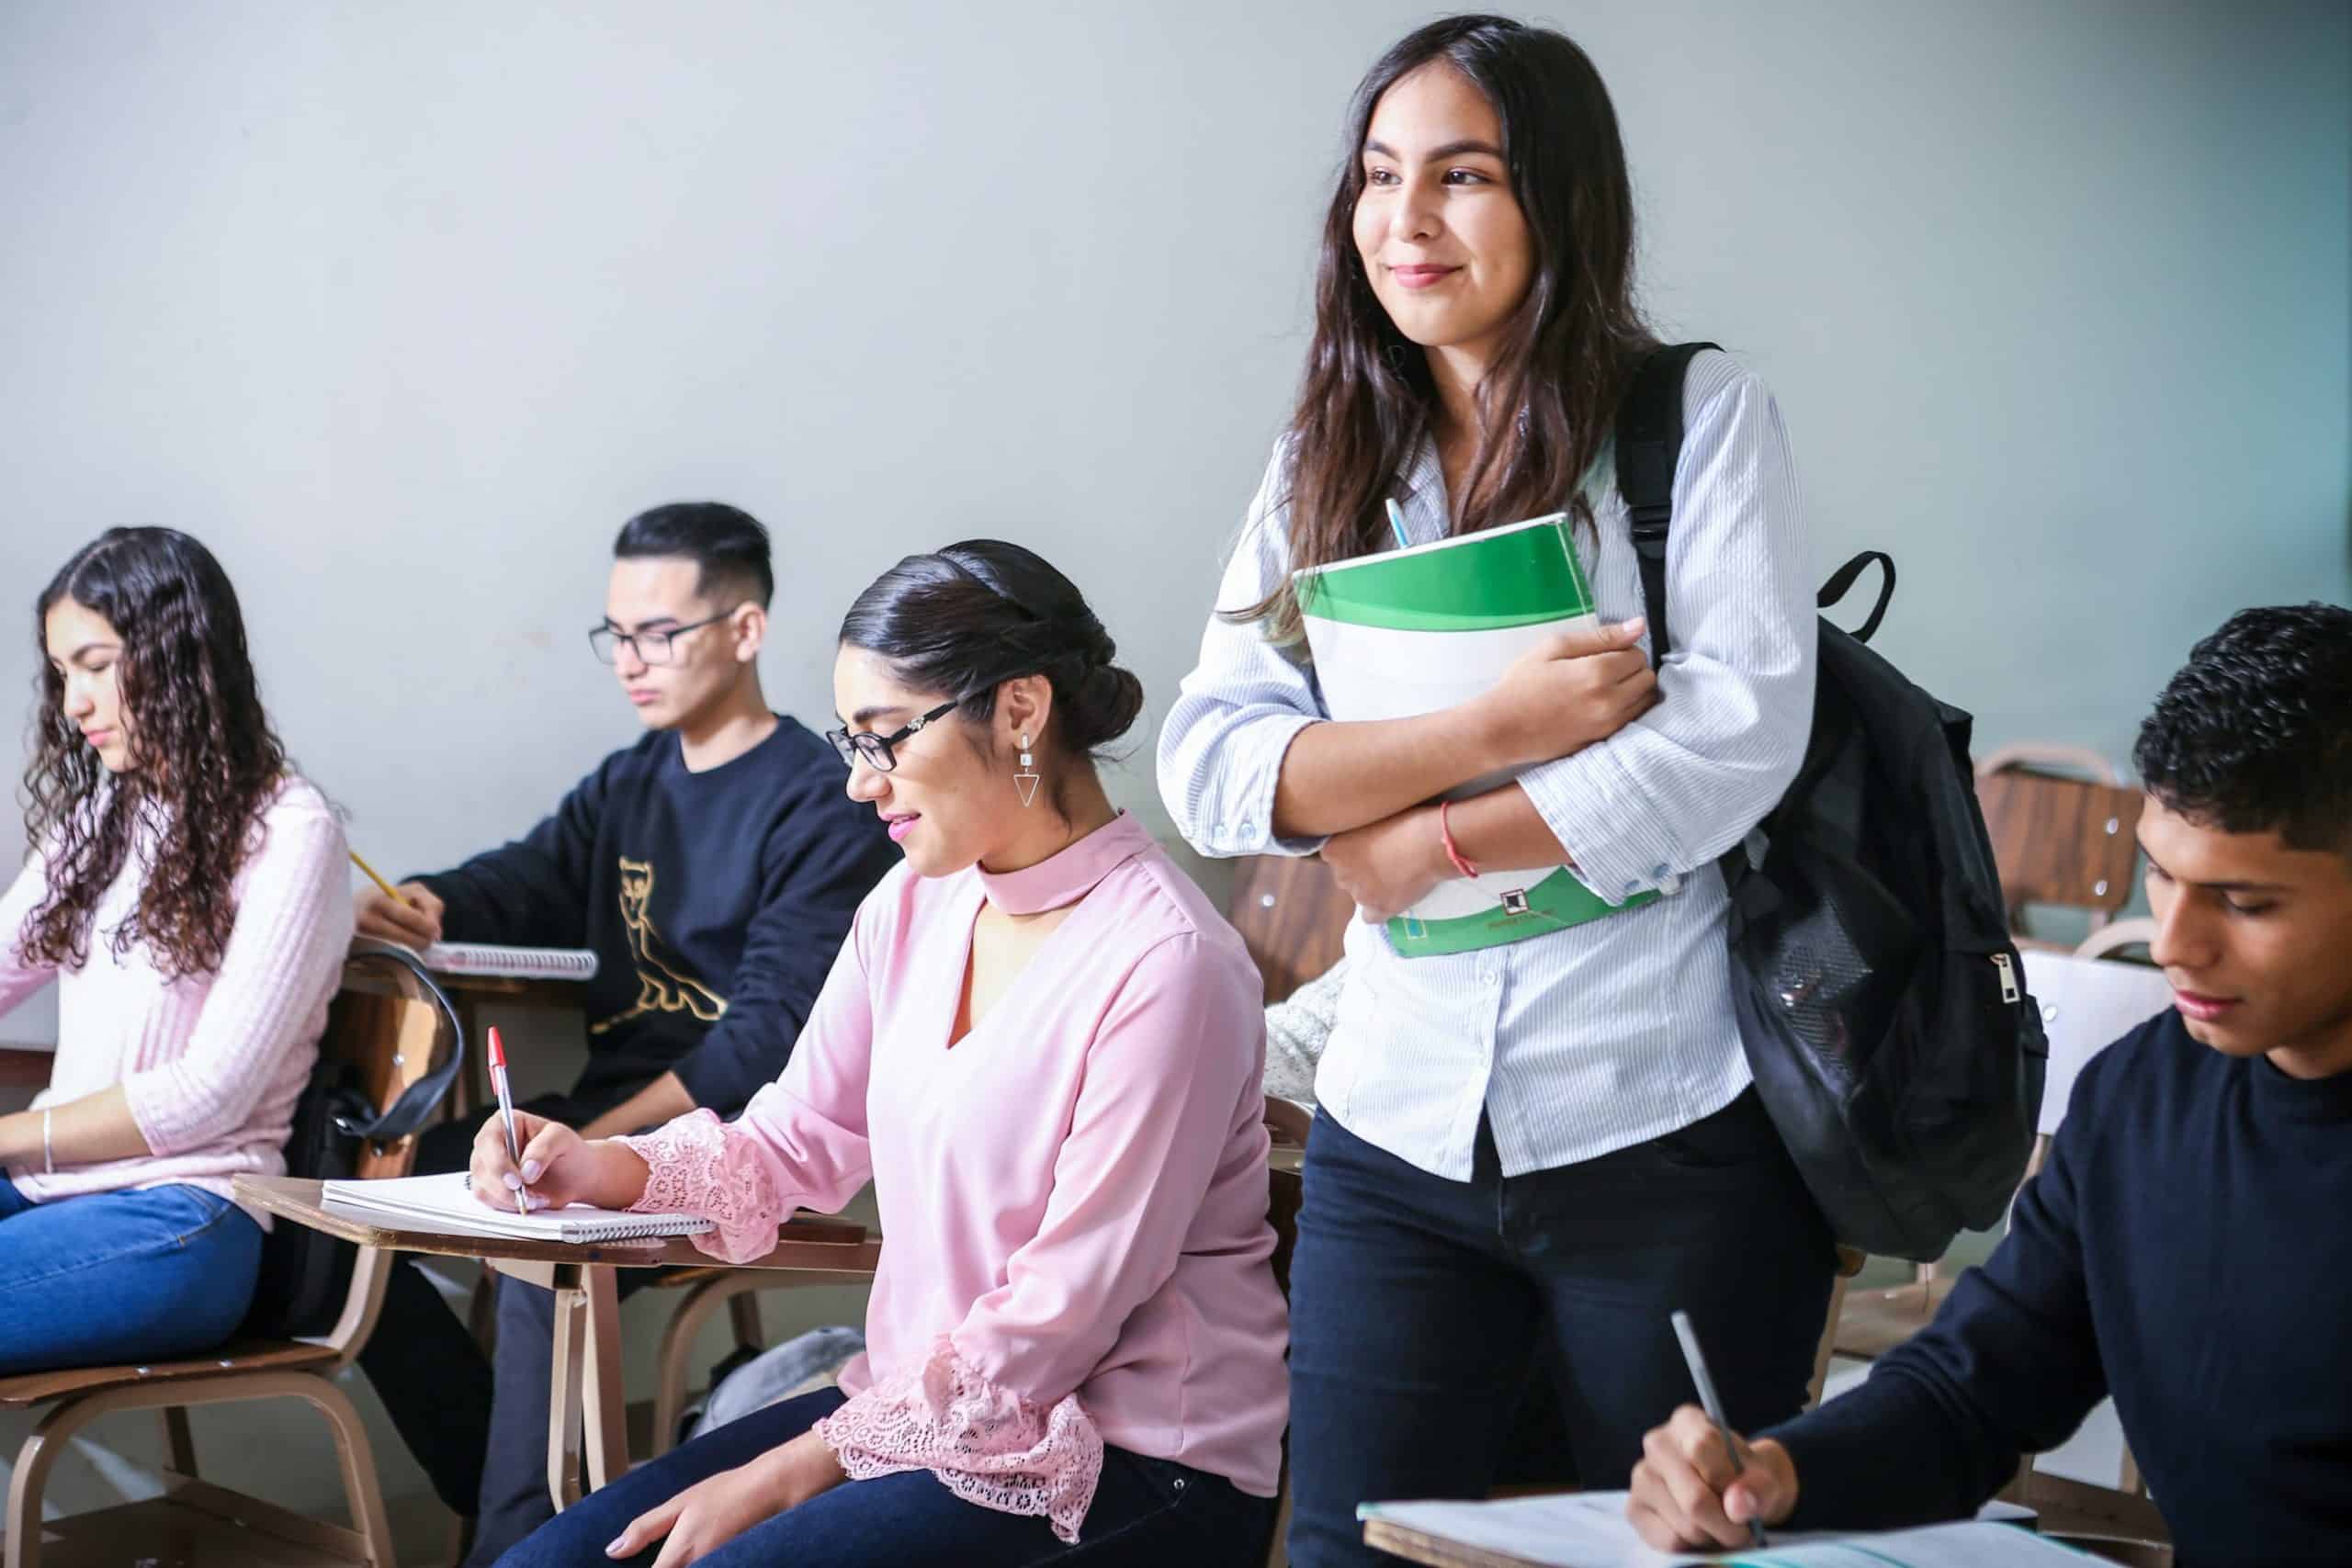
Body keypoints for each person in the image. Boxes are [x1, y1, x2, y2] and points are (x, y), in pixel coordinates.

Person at [1157, 17, 1834, 1562]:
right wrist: (1495, 729)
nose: (1406, 221)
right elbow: (1212, 760)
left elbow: (1735, 737)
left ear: (1560, 202)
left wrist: (1422, 842)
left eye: (1463, 176)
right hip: (1396, 1125)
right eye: (1382, 177)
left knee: (1670, 1546)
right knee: (1346, 1549)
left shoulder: (1693, 421)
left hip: (1661, 1122)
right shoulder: (1327, 448)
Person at [488, 540, 1287, 1567]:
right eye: (850, 742)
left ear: (1018, 709)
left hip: (1130, 1461)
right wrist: (594, 1166)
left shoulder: (1169, 964)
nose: (862, 786)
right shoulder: (912, 902)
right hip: (918, 1417)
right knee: (545, 1564)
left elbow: (1060, 1315)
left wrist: (787, 1470)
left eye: (885, 739)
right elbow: (794, 1138)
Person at [1628, 603, 2352, 1568]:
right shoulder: (2141, 1101)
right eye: (2162, 879)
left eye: (2246, 903)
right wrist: (1777, 1473)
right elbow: (1973, 1388)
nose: (2174, 944)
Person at [351, 502, 899, 1560]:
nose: (631, 663)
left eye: (661, 634)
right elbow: (529, 878)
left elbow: (761, 1048)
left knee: (539, 1259)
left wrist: (599, 1147)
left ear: (745, 630)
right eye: (618, 636)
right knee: (363, 1187)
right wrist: (431, 901)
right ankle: (489, 1480)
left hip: (734, 1144)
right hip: (607, 1122)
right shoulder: (630, 782)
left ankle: (504, 1544)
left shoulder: (816, 801)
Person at [0, 527, 350, 1373]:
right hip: (51, 1193)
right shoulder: (99, 821)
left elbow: (206, 1096)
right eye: (62, 673)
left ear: (177, 650)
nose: (75, 701)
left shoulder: (292, 832)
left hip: (182, 1218)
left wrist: (6, 1135)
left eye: (95, 663)